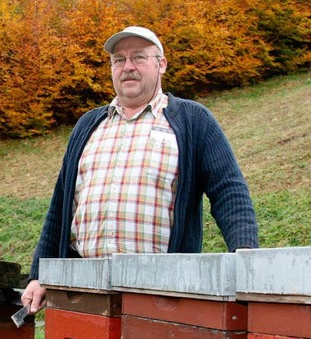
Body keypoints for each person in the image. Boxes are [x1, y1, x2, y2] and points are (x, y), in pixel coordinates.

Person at [21, 26, 259, 313]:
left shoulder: (193, 120)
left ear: (161, 64)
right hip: (85, 286)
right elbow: (61, 205)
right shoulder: (88, 125)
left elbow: (229, 191)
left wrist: (246, 259)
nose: (128, 67)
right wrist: (38, 274)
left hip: (161, 288)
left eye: (139, 57)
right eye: (119, 60)